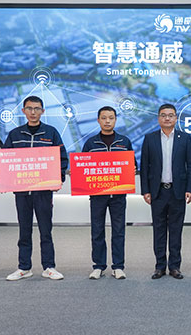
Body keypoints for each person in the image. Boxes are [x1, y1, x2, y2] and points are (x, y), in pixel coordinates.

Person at [3, 95, 69, 281]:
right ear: (23, 111)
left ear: (43, 111)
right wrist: (5, 181)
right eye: (30, 108)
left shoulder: (51, 133)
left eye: (37, 109)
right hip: (22, 192)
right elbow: (5, 161)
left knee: (45, 230)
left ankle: (49, 266)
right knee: (24, 230)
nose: (33, 112)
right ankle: (24, 267)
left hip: (43, 192)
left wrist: (58, 179)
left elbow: (62, 158)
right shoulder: (15, 135)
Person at [140, 103, 191, 280]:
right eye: (163, 115)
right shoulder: (150, 138)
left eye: (170, 115)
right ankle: (159, 266)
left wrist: (190, 189)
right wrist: (145, 190)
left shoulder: (185, 138)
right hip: (157, 192)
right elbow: (144, 166)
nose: (167, 118)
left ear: (176, 118)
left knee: (176, 230)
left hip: (177, 191)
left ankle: (175, 266)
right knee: (159, 230)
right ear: (158, 118)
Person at [82, 106, 134, 280]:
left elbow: (132, 165)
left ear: (115, 120)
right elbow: (83, 165)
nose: (107, 121)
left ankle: (118, 266)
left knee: (118, 231)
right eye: (104, 118)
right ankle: (98, 266)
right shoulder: (90, 143)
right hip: (97, 195)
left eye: (111, 118)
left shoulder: (124, 142)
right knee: (97, 230)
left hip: (118, 196)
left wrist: (132, 169)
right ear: (98, 120)